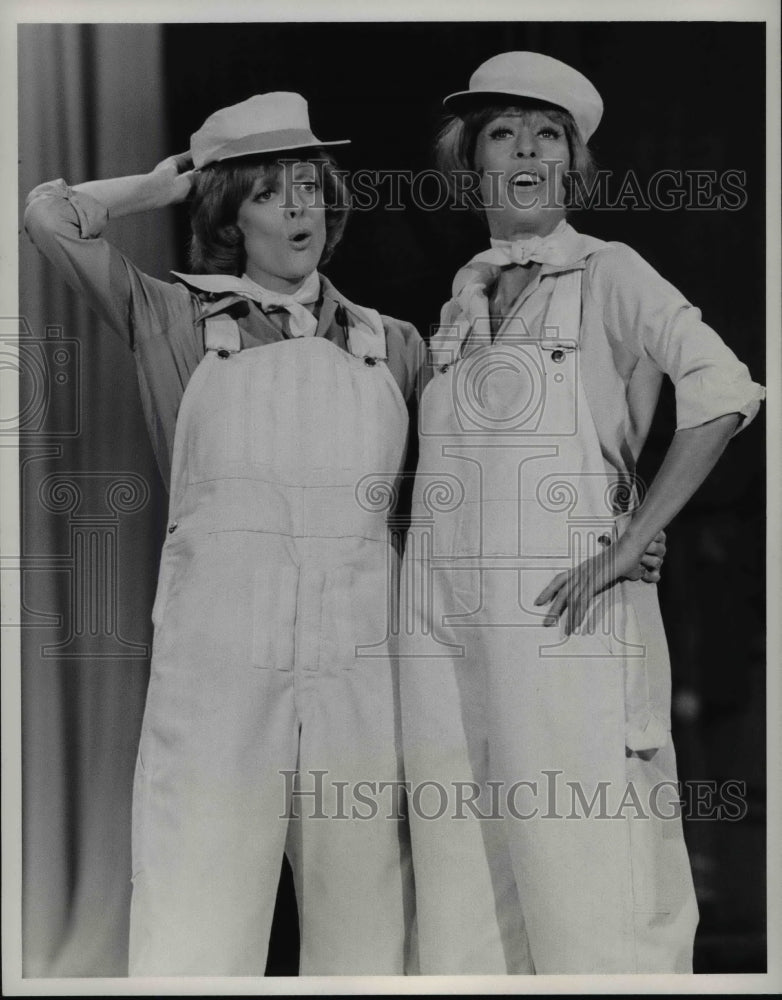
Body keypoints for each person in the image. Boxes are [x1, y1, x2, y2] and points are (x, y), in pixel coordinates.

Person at [24, 92, 422, 976]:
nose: (299, 209)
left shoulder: (391, 343)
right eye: (269, 191)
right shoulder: (173, 319)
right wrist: (163, 190)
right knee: (196, 906)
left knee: (366, 917)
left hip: (361, 659)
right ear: (229, 215)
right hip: (220, 661)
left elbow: (466, 482)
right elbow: (50, 219)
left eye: (311, 188)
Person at [398, 52, 765, 974]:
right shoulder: (461, 300)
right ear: (471, 161)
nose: (526, 149)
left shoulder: (608, 271)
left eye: (548, 133)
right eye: (503, 132)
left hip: (566, 618)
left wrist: (633, 540)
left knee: (589, 887)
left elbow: (723, 389)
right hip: (445, 629)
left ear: (572, 165)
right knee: (463, 896)